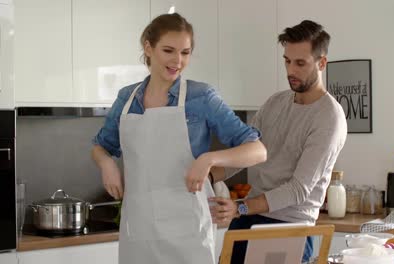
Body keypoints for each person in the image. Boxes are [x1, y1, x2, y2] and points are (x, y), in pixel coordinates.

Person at [91, 13, 267, 264]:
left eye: (185, 53)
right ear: (148, 48)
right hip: (139, 232)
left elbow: (258, 150)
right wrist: (105, 163)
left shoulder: (201, 97)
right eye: (169, 50)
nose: (177, 61)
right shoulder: (127, 99)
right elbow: (100, 147)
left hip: (189, 235)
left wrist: (209, 158)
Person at [209, 20, 347, 263]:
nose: (290, 70)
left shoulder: (329, 117)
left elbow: (298, 189)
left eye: (300, 63)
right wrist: (207, 177)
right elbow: (245, 154)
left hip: (288, 228)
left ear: (321, 63)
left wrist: (240, 207)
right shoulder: (276, 103)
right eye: (287, 60)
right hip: (248, 220)